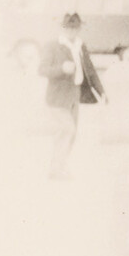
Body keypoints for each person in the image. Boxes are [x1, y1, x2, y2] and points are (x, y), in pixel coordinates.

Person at [38, 11, 105, 180]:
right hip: (57, 97)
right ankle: (56, 169)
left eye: (75, 28)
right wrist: (62, 68)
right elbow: (42, 70)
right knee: (67, 130)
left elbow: (90, 70)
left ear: (79, 29)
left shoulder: (81, 46)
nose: (72, 32)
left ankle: (59, 167)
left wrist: (101, 91)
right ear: (62, 29)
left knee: (71, 134)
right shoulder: (52, 46)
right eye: (69, 28)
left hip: (74, 96)